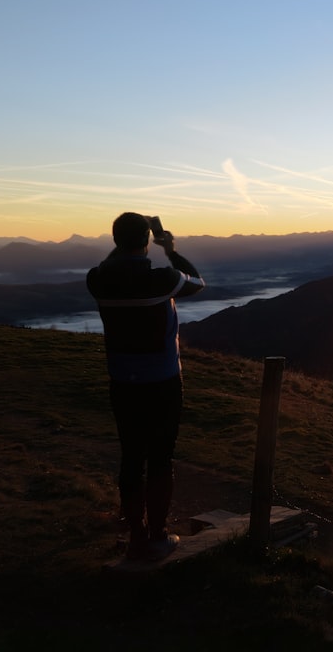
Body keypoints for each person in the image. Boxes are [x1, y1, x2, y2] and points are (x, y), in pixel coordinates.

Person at [87, 212, 206, 561]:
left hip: (122, 382)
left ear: (114, 241)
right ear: (145, 241)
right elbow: (198, 282)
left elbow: (109, 266)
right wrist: (169, 248)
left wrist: (124, 248)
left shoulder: (98, 280)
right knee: (159, 459)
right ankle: (157, 534)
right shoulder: (162, 279)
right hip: (163, 381)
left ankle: (136, 533)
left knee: (131, 456)